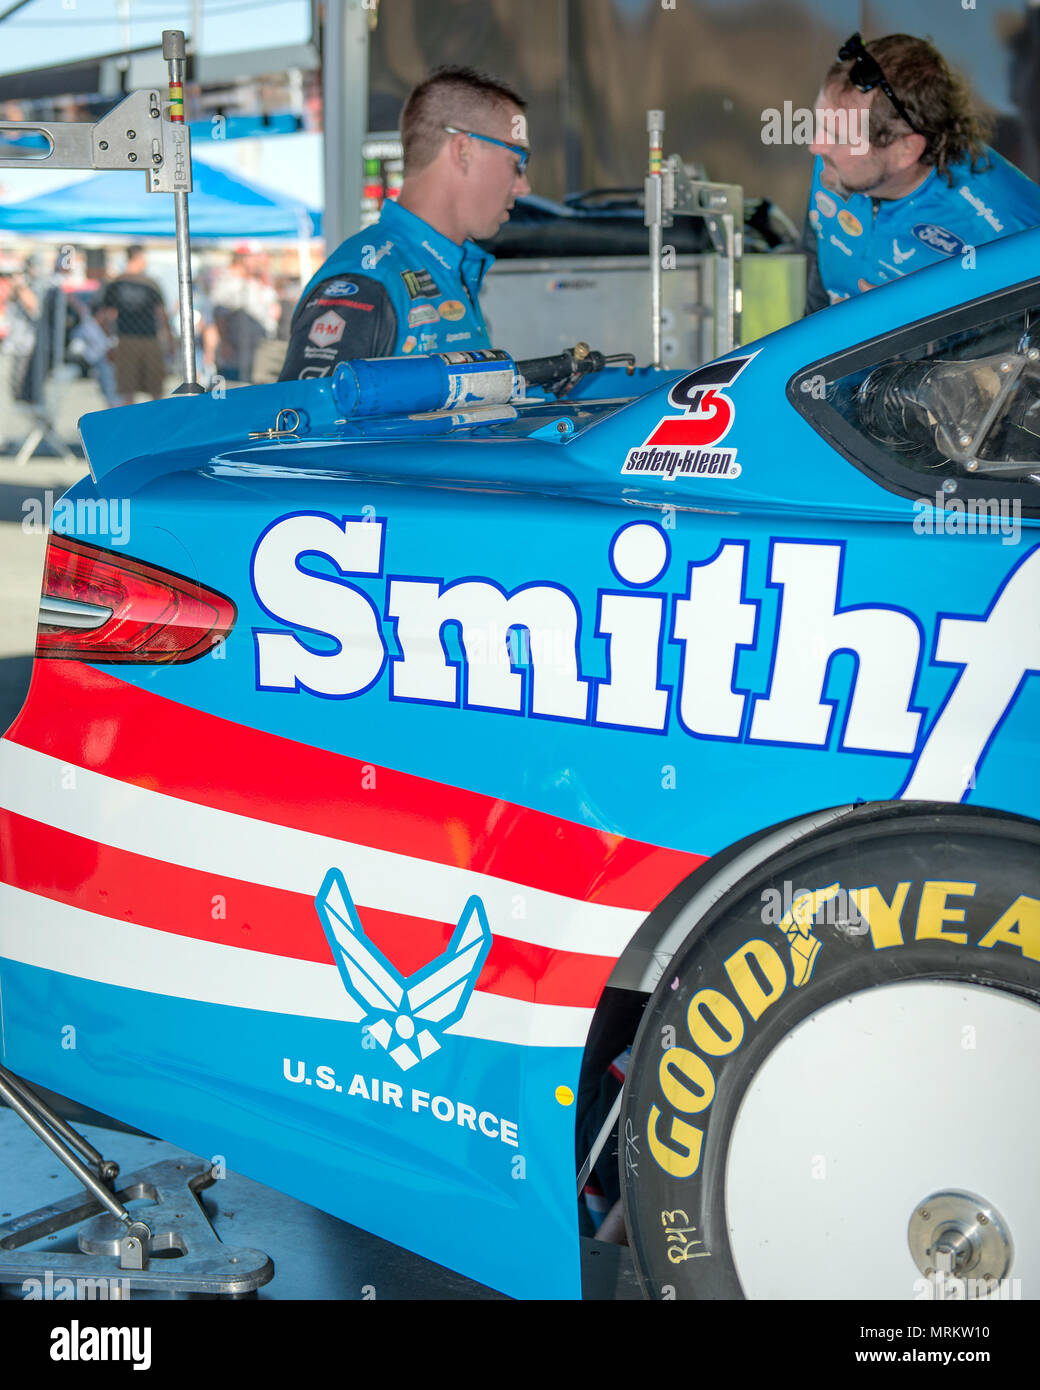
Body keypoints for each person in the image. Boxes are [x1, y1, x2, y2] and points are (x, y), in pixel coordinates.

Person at [279, 65, 530, 381]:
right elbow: (306, 426)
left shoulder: (450, 269)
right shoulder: (368, 285)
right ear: (463, 150)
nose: (523, 187)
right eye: (517, 161)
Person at [801, 32, 1040, 313]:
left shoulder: (1009, 228)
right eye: (820, 123)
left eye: (837, 136)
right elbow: (814, 263)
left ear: (906, 150)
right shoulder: (835, 165)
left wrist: (919, 333)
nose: (815, 146)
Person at [101, 246, 171, 404]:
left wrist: (109, 342)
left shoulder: (116, 283)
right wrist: (169, 341)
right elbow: (161, 315)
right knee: (154, 390)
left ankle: (132, 425)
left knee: (129, 391)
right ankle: (155, 423)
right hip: (147, 339)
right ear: (138, 258)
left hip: (126, 339)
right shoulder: (151, 284)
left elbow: (106, 317)